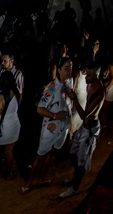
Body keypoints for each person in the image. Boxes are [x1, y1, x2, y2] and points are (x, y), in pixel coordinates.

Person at [22, 56, 73, 194]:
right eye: (66, 68)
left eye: (70, 68)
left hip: (63, 128)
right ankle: (29, 183)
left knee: (53, 154)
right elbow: (40, 109)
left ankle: (44, 177)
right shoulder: (51, 88)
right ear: (59, 70)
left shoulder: (69, 84)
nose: (69, 71)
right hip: (51, 128)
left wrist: (69, 123)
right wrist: (56, 116)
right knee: (40, 156)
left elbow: (69, 106)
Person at [60, 59, 105, 198]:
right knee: (72, 152)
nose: (86, 77)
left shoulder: (99, 91)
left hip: (90, 130)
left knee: (81, 162)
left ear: (96, 75)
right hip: (84, 127)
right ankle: (76, 177)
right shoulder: (91, 84)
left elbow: (85, 114)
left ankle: (74, 188)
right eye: (86, 74)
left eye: (89, 75)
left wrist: (74, 99)